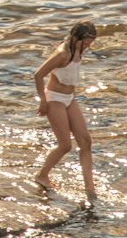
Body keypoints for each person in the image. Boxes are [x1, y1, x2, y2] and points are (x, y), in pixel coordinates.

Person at [34, 19, 98, 205]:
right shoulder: (62, 53)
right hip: (54, 99)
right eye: (85, 41)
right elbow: (38, 74)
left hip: (70, 98)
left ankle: (90, 188)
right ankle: (42, 175)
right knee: (65, 146)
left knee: (85, 141)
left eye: (91, 41)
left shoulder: (79, 49)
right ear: (75, 37)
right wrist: (43, 101)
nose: (88, 45)